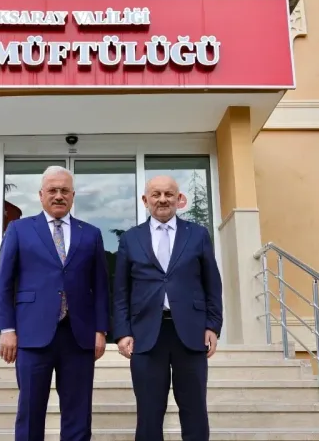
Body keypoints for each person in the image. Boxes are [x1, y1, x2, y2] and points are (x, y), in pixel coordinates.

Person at [0, 165, 109, 441]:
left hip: (79, 336)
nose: (59, 196)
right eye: (53, 190)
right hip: (32, 335)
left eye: (65, 191)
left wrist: (101, 329)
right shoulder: (19, 229)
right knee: (30, 412)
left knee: (78, 414)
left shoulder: (91, 233)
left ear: (73, 196)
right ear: (41, 194)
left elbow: (101, 287)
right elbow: (4, 283)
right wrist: (7, 329)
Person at [112, 175, 223, 441]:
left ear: (178, 198)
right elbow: (120, 291)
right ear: (145, 200)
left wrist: (212, 325)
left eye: (169, 194)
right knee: (149, 412)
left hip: (191, 333)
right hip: (146, 334)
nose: (162, 200)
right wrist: (123, 332)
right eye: (156, 194)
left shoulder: (198, 234)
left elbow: (212, 283)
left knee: (194, 410)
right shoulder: (130, 238)